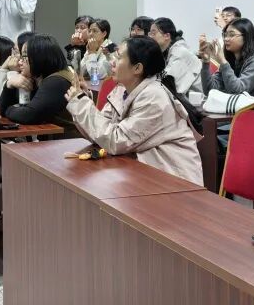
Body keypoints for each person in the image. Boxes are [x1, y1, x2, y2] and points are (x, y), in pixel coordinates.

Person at [65, 36, 203, 185]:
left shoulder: (154, 98)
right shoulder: (121, 90)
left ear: (137, 68)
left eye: (119, 57)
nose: (112, 62)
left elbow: (116, 140)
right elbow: (100, 136)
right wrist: (82, 100)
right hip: (145, 174)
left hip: (175, 181)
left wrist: (81, 103)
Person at [0, 34, 77, 135]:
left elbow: (29, 115)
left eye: (24, 56)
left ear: (39, 57)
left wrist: (8, 109)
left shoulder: (56, 81)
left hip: (69, 141)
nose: (20, 62)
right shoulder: (38, 78)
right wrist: (9, 84)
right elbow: (4, 110)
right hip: (53, 139)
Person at [199, 17, 254, 96]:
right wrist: (206, 62)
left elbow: (237, 91)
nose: (226, 39)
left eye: (231, 35)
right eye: (225, 35)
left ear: (246, 37)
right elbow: (209, 90)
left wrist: (223, 62)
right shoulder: (231, 60)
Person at [149, 17, 202, 95]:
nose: (150, 37)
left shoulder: (179, 53)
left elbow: (169, 87)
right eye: (149, 34)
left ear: (167, 36)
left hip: (198, 101)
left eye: (153, 33)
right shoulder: (168, 52)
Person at [0, 31, 33, 104]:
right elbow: (1, 102)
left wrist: (13, 72)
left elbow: (6, 104)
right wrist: (3, 69)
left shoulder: (31, 77)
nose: (12, 56)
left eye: (16, 51)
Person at [80, 18, 117, 83]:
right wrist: (89, 53)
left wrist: (92, 53)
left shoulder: (110, 49)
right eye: (89, 31)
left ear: (104, 34)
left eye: (94, 31)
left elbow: (97, 76)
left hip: (107, 86)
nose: (90, 34)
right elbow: (81, 72)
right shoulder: (92, 46)